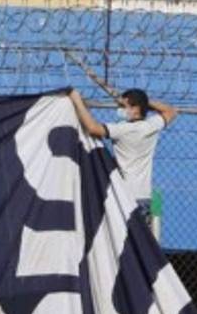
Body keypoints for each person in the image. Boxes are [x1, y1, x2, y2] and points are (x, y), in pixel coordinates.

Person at [69, 87, 177, 225]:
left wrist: (77, 100)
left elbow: (92, 128)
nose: (120, 109)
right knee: (140, 237)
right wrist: (144, 102)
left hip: (125, 196)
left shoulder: (123, 129)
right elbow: (171, 111)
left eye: (123, 106)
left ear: (136, 108)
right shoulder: (152, 125)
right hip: (144, 196)